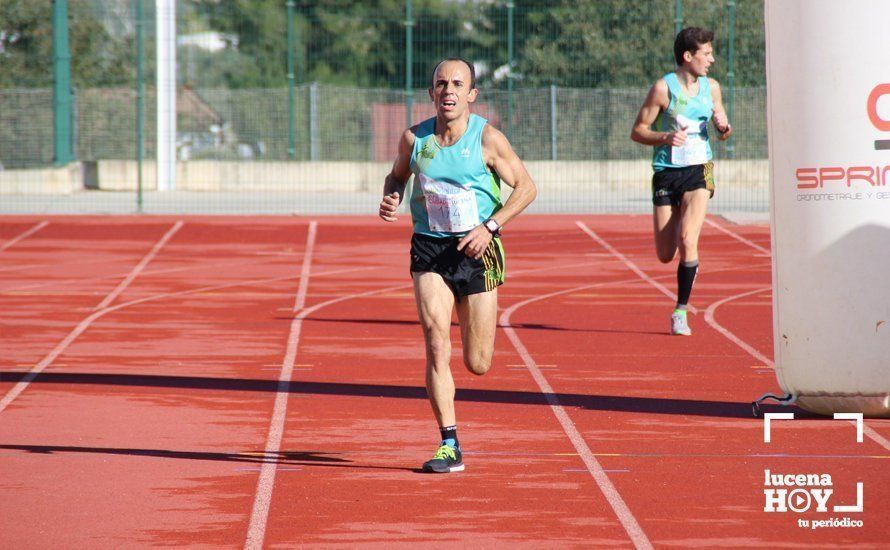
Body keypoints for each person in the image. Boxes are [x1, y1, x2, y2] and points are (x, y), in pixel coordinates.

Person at [379, 57, 537, 473]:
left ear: (471, 95)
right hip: (430, 249)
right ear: (432, 93)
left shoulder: (488, 140)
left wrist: (491, 225)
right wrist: (392, 195)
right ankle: (449, 442)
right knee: (435, 340)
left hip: (477, 252)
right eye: (441, 84)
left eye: (457, 84)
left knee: (478, 363)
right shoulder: (415, 139)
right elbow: (396, 176)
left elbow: (526, 187)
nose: (448, 90)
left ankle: (473, 333)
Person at [631, 27, 732, 336]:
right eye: (706, 53)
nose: (712, 59)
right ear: (688, 56)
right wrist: (664, 136)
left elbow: (724, 127)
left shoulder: (711, 87)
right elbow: (638, 130)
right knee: (665, 254)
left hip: (698, 170)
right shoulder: (663, 89)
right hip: (666, 172)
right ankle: (679, 243)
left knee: (689, 239)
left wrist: (723, 127)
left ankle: (680, 311)